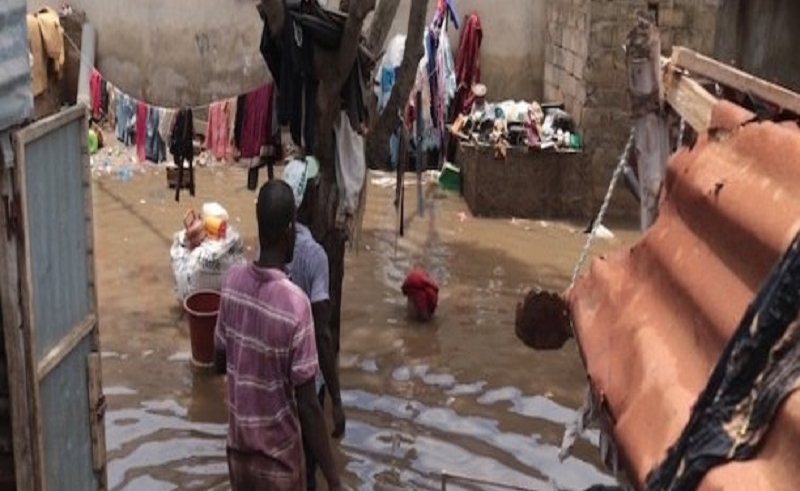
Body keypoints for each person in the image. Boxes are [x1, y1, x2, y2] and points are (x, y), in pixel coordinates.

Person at [214, 180, 341, 491]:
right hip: (278, 464)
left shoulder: (231, 282)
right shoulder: (296, 305)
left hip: (238, 456)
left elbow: (219, 359)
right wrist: (334, 481)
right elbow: (308, 407)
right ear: (290, 231)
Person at [282, 157, 346, 491]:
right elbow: (322, 333)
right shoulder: (314, 255)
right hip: (308, 380)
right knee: (307, 470)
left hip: (277, 378)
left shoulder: (271, 245)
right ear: (309, 197)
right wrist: (337, 399)